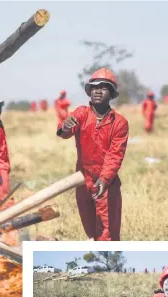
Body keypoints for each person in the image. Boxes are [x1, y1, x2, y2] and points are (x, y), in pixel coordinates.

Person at [57, 68, 129, 241]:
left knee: (107, 235)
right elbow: (65, 131)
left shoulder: (119, 123)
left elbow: (115, 155)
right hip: (82, 180)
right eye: (95, 87)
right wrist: (64, 127)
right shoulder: (81, 113)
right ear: (89, 91)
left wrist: (104, 180)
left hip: (106, 184)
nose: (98, 90)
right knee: (90, 231)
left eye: (104, 88)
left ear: (111, 94)